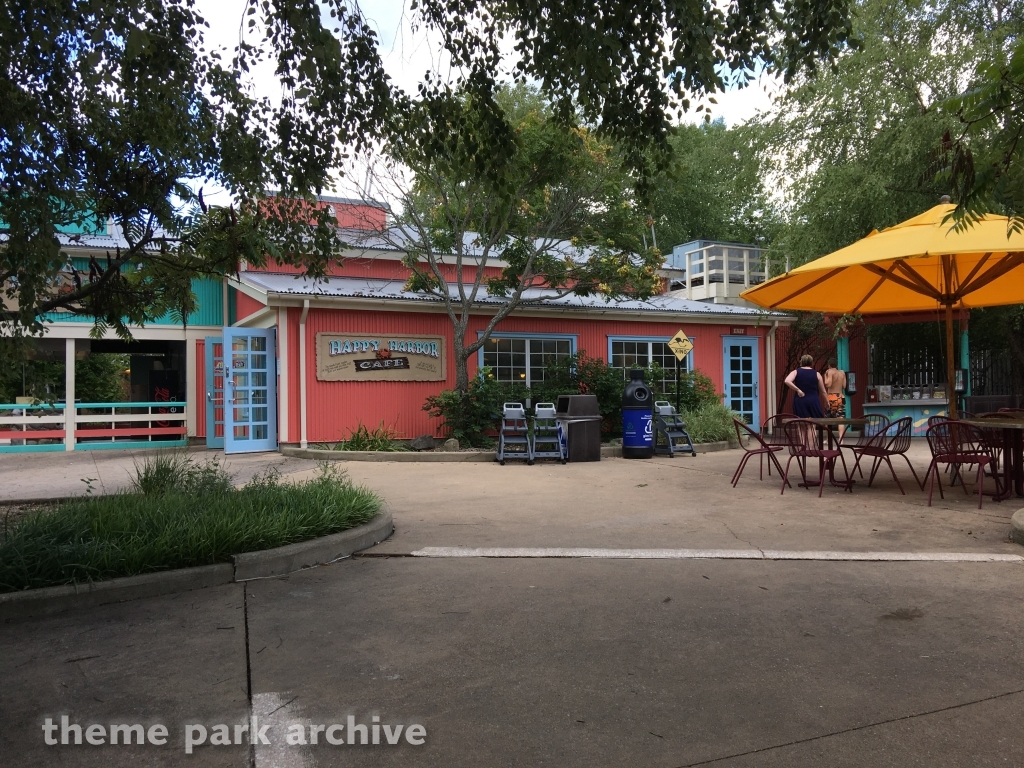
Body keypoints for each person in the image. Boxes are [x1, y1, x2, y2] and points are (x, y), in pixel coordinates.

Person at [823, 357, 848, 437]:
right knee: (840, 419)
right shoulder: (842, 373)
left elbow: (828, 384)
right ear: (836, 365)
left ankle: (828, 439)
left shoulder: (829, 372)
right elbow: (844, 386)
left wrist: (825, 376)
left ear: (829, 365)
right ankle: (841, 439)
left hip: (831, 397)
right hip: (840, 397)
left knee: (828, 419)